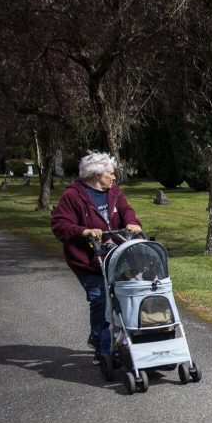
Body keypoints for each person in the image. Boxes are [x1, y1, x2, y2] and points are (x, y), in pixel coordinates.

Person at [51, 151, 142, 355]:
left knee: (126, 295)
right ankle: (103, 348)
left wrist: (131, 223)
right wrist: (84, 231)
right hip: (88, 260)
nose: (114, 176)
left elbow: (126, 210)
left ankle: (121, 339)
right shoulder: (73, 196)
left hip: (116, 256)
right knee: (101, 300)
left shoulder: (114, 192)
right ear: (96, 175)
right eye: (110, 173)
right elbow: (59, 225)